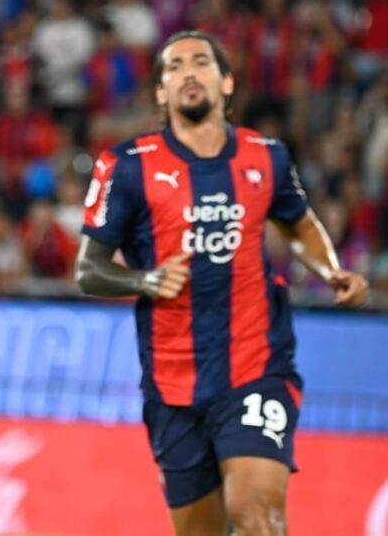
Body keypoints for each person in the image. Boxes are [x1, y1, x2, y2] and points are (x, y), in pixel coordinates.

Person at [76, 30, 368, 536]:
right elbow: (89, 270)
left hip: (258, 368)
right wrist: (146, 279)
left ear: (227, 81)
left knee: (259, 516)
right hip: (172, 385)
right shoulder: (125, 165)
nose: (189, 71)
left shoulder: (266, 156)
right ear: (161, 92)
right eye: (174, 66)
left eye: (201, 62)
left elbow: (297, 223)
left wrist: (330, 269)